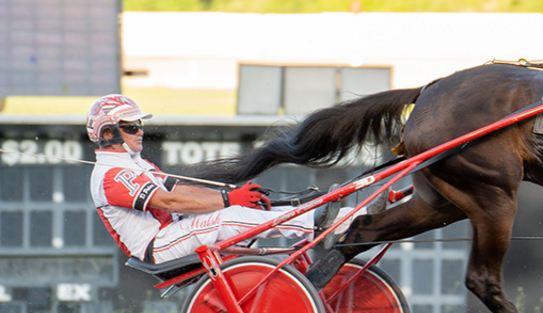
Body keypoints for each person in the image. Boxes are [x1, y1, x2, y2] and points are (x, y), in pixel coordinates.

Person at [86, 94, 352, 264]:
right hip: (158, 246)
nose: (140, 131)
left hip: (172, 234)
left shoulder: (136, 164)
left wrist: (232, 196)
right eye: (132, 126)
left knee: (241, 209)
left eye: (140, 125)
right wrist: (227, 200)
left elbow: (180, 189)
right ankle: (316, 226)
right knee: (228, 217)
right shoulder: (110, 176)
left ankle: (316, 223)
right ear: (108, 134)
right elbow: (170, 201)